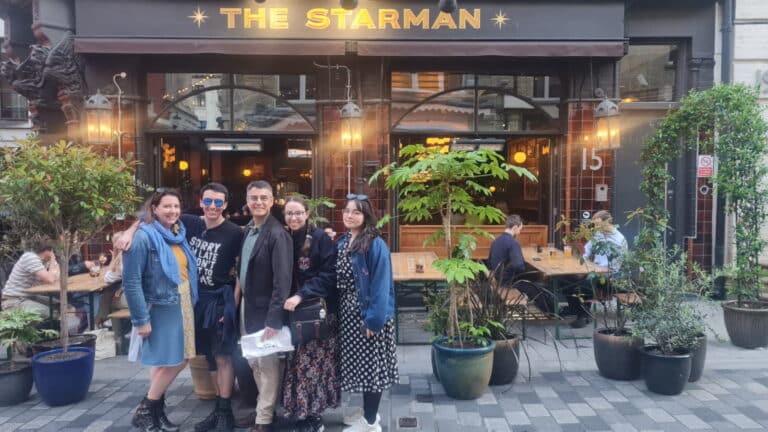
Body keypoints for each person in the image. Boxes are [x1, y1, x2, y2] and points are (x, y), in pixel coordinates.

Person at [122, 189, 199, 432]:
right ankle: (146, 409)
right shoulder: (143, 238)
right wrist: (140, 320)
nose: (173, 211)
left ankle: (156, 413)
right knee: (179, 359)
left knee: (162, 361)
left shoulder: (176, 233)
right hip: (162, 305)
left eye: (176, 206)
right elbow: (131, 281)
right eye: (166, 206)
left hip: (182, 300)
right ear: (154, 209)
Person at [181, 183, 243, 432]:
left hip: (220, 299)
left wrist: (234, 304)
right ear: (201, 202)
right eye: (208, 201)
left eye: (218, 202)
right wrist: (128, 233)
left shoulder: (235, 233)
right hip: (196, 300)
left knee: (223, 355)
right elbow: (148, 216)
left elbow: (241, 271)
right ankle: (218, 410)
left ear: (226, 205)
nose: (213, 207)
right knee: (209, 357)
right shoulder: (189, 223)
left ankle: (226, 412)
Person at [337, 194, 398, 432]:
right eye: (347, 211)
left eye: (356, 212)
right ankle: (368, 416)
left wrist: (373, 321)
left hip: (368, 317)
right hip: (348, 317)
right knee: (361, 369)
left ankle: (371, 423)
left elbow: (381, 286)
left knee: (371, 370)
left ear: (366, 216)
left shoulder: (375, 244)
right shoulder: (344, 241)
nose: (349, 216)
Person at [237, 180, 292, 432]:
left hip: (266, 310)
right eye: (254, 198)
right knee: (254, 362)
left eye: (263, 198)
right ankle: (262, 408)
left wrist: (274, 319)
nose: (258, 202)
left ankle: (264, 420)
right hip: (246, 308)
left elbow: (283, 282)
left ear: (272, 201)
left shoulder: (277, 234)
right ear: (247, 201)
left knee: (267, 364)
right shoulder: (248, 230)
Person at [280, 196, 339, 432]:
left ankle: (313, 415)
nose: (294, 218)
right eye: (289, 214)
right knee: (295, 365)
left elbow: (329, 275)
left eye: (298, 213)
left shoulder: (320, 238)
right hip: (291, 314)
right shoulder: (283, 237)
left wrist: (301, 295)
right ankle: (298, 411)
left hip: (316, 313)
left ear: (307, 214)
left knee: (314, 365)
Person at [0, 238, 80, 332]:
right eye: (53, 251)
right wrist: (52, 260)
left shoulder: (41, 262)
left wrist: (52, 263)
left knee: (65, 307)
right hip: (14, 302)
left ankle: (56, 336)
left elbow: (56, 277)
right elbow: (50, 279)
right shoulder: (30, 258)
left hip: (28, 297)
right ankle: (47, 338)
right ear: (49, 251)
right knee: (53, 313)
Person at [566, 210, 628, 328]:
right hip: (594, 270)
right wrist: (582, 262)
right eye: (594, 224)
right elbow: (587, 250)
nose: (595, 227)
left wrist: (600, 270)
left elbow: (618, 265)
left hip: (609, 275)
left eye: (598, 224)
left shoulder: (619, 239)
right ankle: (574, 309)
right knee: (567, 278)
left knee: (587, 282)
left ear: (608, 222)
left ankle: (584, 315)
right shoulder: (598, 235)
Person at [487, 214, 525, 286]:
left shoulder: (495, 240)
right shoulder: (513, 243)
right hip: (508, 282)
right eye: (520, 229)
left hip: (497, 279)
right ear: (515, 227)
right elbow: (519, 266)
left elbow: (489, 263)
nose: (520, 232)